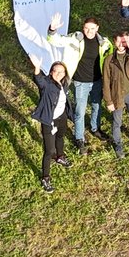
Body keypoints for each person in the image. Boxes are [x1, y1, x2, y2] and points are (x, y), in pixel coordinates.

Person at [30, 59, 74, 193]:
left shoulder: (64, 83)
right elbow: (38, 80)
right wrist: (37, 68)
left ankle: (60, 157)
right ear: (51, 72)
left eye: (62, 71)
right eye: (56, 71)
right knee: (49, 150)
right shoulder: (47, 84)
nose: (59, 74)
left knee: (60, 137)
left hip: (61, 117)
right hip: (49, 120)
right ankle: (45, 177)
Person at [69, 18, 106, 153]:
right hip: (81, 82)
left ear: (97, 28)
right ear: (83, 28)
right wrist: (52, 30)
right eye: (86, 28)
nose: (89, 31)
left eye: (92, 28)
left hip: (97, 80)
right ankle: (79, 137)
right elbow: (56, 40)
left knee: (97, 106)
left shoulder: (103, 42)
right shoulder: (76, 39)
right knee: (80, 110)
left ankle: (95, 128)